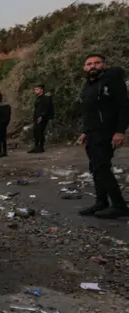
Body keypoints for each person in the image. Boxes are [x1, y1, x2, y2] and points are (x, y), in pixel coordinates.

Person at [76, 53, 129, 219]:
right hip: (92, 132)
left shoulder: (112, 81)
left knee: (102, 168)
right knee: (95, 168)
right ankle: (101, 202)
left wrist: (120, 131)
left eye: (97, 63)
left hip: (107, 132)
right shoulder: (89, 85)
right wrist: (85, 131)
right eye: (89, 63)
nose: (93, 66)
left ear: (103, 65)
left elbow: (124, 107)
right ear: (85, 68)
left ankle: (119, 205)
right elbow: (89, 112)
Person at [28, 84, 54, 153]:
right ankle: (36, 146)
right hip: (37, 117)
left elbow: (46, 108)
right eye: (35, 89)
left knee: (40, 132)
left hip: (42, 117)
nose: (35, 91)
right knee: (35, 131)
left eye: (37, 89)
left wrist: (42, 116)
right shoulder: (38, 98)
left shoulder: (45, 98)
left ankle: (41, 147)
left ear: (41, 90)